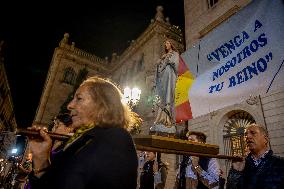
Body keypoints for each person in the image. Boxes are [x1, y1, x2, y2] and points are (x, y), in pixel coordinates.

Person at [27, 76, 141, 189]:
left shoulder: (116, 138)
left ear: (102, 104)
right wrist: (41, 159)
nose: (69, 105)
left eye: (79, 98)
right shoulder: (79, 140)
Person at [226, 123, 284, 189]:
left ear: (266, 139)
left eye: (253, 133)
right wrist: (235, 172)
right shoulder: (240, 165)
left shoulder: (280, 163)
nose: (247, 136)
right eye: (245, 135)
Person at [151, 39, 179, 134]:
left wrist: (168, 60)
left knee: (168, 96)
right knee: (162, 97)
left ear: (172, 44)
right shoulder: (163, 56)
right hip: (162, 78)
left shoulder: (175, 54)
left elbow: (176, 65)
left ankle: (167, 119)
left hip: (170, 76)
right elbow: (158, 69)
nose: (166, 45)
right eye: (165, 43)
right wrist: (160, 62)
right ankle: (160, 118)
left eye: (167, 43)